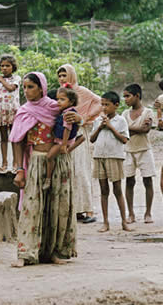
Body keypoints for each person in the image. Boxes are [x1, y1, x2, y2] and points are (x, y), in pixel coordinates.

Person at [10, 72, 81, 267]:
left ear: (41, 88)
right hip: (37, 162)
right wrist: (19, 169)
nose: (26, 91)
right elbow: (17, 141)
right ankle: (26, 253)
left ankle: (55, 251)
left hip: (60, 161)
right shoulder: (24, 111)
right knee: (32, 207)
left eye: (30, 87)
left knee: (59, 206)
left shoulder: (56, 107)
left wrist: (78, 118)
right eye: (24, 87)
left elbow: (72, 122)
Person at [57, 64, 103, 224]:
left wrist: (86, 115)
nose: (62, 78)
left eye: (64, 75)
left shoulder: (82, 91)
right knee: (68, 171)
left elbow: (100, 102)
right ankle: (75, 210)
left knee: (81, 170)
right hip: (64, 134)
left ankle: (89, 210)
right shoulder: (61, 93)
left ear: (71, 75)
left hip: (79, 133)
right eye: (60, 76)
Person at [90, 91, 131, 232]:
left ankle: (124, 222)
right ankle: (105, 222)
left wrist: (111, 127)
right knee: (103, 190)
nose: (104, 108)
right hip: (99, 156)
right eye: (102, 104)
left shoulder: (120, 121)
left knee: (117, 189)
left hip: (115, 156)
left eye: (107, 105)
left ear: (116, 105)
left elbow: (124, 139)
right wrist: (101, 126)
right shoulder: (98, 121)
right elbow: (92, 139)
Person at [123, 84, 156, 224]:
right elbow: (122, 130)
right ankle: (131, 213)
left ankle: (148, 213)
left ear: (137, 96)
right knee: (129, 181)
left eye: (128, 96)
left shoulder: (148, 112)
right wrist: (137, 128)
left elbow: (145, 130)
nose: (125, 99)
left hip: (144, 150)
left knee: (147, 180)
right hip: (128, 150)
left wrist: (130, 128)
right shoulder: (125, 114)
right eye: (124, 96)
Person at [42, 85, 81, 190]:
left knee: (49, 157)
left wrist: (64, 145)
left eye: (62, 99)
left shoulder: (68, 114)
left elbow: (67, 129)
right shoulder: (64, 111)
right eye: (58, 99)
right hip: (61, 141)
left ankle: (48, 179)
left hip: (62, 142)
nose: (58, 102)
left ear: (71, 102)